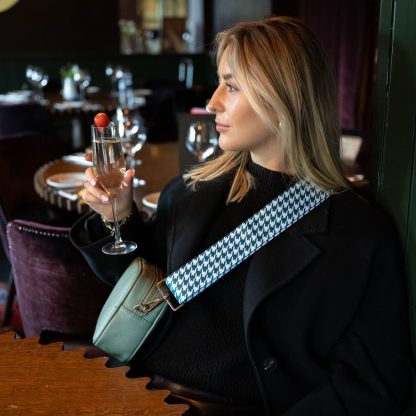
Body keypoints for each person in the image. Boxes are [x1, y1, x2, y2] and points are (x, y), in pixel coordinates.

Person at [70, 16, 414, 415]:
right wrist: (119, 217)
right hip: (136, 391)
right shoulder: (189, 192)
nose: (212, 101)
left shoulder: (358, 234)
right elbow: (142, 291)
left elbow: (374, 383)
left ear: (284, 99)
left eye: (231, 86)